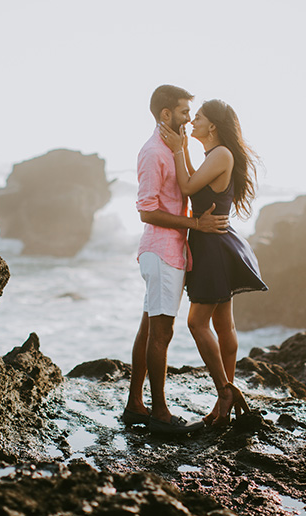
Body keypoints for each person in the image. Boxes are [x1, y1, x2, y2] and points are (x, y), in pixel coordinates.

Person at [122, 86, 230, 434]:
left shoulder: (171, 148)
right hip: (162, 252)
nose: (189, 117)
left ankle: (135, 405)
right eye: (185, 112)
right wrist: (194, 224)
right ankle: (161, 414)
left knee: (148, 329)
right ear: (166, 114)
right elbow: (146, 210)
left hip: (169, 251)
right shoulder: (154, 152)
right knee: (162, 332)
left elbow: (187, 186)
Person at [159, 98, 268, 426]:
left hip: (214, 247)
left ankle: (224, 390)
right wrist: (184, 152)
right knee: (223, 325)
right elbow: (194, 178)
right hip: (214, 244)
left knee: (196, 323)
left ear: (213, 126)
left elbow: (188, 185)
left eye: (199, 118)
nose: (192, 122)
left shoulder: (221, 154)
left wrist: (178, 150)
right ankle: (226, 401)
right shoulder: (214, 156)